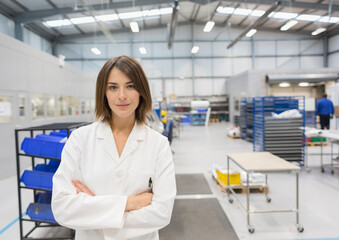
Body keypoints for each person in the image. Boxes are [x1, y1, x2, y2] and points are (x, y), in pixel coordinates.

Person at [52, 55, 176, 240]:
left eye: (131, 86)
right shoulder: (80, 140)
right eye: (113, 87)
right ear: (103, 92)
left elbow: (162, 213)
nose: (122, 95)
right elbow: (63, 208)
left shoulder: (158, 145)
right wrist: (130, 203)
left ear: (142, 91)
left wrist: (93, 207)